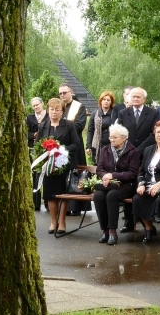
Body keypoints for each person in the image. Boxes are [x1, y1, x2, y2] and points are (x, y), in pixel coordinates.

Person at [116, 87, 160, 231]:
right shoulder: (123, 113)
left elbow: (154, 134)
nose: (135, 99)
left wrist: (139, 150)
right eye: (133, 96)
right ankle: (129, 223)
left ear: (144, 99)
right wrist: (130, 150)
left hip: (146, 154)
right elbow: (120, 133)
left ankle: (146, 222)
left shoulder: (153, 113)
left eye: (138, 97)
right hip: (127, 155)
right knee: (128, 185)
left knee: (142, 186)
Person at [36, 97, 82, 236]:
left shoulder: (69, 125)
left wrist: (61, 150)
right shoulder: (43, 126)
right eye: (52, 109)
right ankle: (53, 222)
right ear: (48, 110)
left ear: (62, 111)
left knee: (63, 194)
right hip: (49, 166)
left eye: (57, 109)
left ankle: (62, 222)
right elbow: (38, 145)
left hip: (65, 165)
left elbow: (76, 144)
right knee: (51, 194)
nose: (54, 112)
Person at [93, 124, 141, 245]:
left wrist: (113, 175)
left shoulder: (133, 152)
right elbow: (99, 169)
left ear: (124, 138)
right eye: (110, 137)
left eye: (115, 137)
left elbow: (132, 173)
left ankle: (112, 231)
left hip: (127, 184)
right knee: (98, 196)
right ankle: (105, 231)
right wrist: (105, 176)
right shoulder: (105, 150)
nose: (112, 140)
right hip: (109, 183)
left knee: (112, 195)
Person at [59, 84, 88, 215]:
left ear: (71, 92)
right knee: (62, 175)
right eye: (60, 93)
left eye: (64, 92)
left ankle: (76, 206)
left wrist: (62, 130)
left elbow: (79, 125)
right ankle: (63, 207)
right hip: (61, 146)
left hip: (75, 145)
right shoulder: (59, 107)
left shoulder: (79, 107)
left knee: (76, 175)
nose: (62, 95)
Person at [86, 91, 118, 161]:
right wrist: (88, 146)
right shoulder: (95, 114)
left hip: (112, 145)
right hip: (97, 145)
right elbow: (90, 131)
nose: (106, 101)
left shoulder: (115, 114)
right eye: (104, 99)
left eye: (108, 100)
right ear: (101, 101)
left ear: (111, 102)